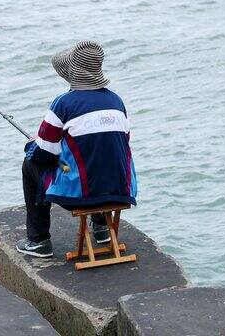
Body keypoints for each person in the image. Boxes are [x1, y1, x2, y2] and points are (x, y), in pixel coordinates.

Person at [16, 41, 137, 258]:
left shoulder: (63, 104)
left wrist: (32, 144)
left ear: (72, 72)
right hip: (120, 191)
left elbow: (43, 155)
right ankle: (101, 229)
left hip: (82, 195)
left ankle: (38, 240)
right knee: (100, 156)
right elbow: (119, 143)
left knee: (30, 164)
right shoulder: (116, 101)